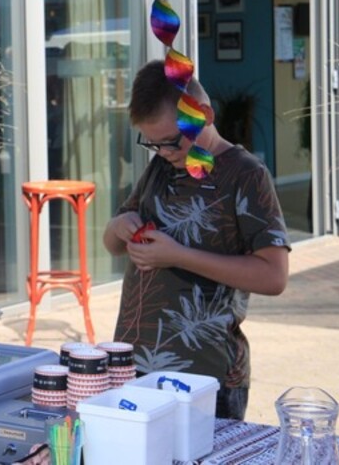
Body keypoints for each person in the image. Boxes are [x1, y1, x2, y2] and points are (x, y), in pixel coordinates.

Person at [102, 60, 290, 420]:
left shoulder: (246, 174)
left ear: (204, 114)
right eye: (152, 144)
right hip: (135, 366)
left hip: (206, 375)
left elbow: (274, 276)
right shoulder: (161, 166)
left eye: (173, 141)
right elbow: (112, 245)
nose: (165, 152)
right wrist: (119, 226)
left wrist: (178, 256)